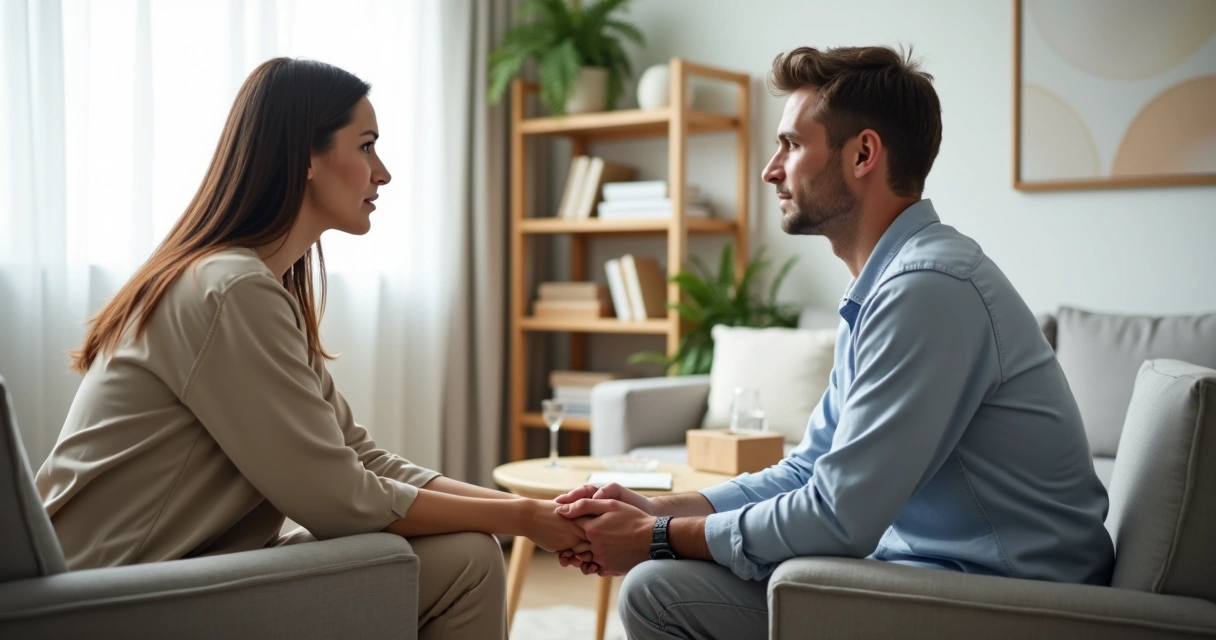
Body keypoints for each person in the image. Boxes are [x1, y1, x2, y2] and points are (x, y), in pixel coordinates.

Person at [552, 45, 1115, 639]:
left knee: (658, 590)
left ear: (863, 153)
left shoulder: (926, 290)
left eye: (791, 145)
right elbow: (809, 468)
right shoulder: (887, 286)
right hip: (946, 572)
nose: (771, 169)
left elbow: (839, 516)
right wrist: (659, 509)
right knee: (662, 582)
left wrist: (657, 539)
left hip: (1015, 599)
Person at [35, 58, 583, 640]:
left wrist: (538, 512)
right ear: (306, 158)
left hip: (163, 569)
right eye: (367, 146)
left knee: (466, 553)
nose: (384, 173)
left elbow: (360, 457)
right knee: (467, 564)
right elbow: (340, 500)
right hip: (115, 592)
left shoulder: (246, 284)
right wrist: (524, 518)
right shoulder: (231, 289)